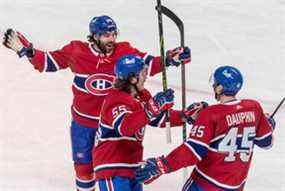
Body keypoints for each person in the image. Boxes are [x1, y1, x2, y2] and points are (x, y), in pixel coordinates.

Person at [2, 15, 191, 191]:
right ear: (94, 36)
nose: (111, 39)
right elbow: (49, 62)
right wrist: (27, 51)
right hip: (84, 124)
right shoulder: (77, 51)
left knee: (113, 168)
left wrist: (169, 59)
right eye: (106, 35)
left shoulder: (124, 51)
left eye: (113, 34)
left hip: (113, 127)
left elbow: (145, 65)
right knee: (84, 172)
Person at [135, 65, 276, 191]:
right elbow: (266, 142)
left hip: (205, 184)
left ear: (220, 88)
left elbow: (192, 151)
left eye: (215, 84)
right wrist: (268, 125)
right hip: (235, 186)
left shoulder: (211, 114)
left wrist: (162, 165)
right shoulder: (254, 108)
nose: (214, 86)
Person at [93, 54, 206, 191]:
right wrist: (153, 107)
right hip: (112, 167)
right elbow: (125, 127)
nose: (146, 76)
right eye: (143, 73)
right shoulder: (115, 98)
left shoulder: (141, 96)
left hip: (132, 167)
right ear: (133, 78)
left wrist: (185, 116)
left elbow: (157, 118)